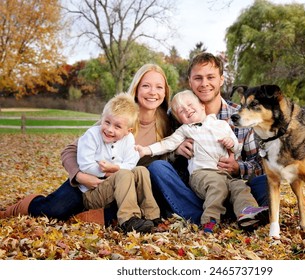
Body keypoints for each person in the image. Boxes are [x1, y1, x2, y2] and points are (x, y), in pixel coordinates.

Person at [0, 64, 172, 227]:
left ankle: (96, 216)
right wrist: (79, 176)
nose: (153, 92)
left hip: (124, 187)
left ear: (165, 92)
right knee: (55, 210)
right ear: (136, 88)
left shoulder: (168, 124)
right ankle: (23, 206)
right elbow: (69, 150)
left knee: (122, 203)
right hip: (90, 181)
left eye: (159, 87)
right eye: (146, 86)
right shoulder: (113, 119)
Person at [147, 52, 269, 226]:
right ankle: (205, 217)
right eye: (198, 78)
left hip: (236, 187)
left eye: (210, 77)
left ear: (221, 79)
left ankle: (243, 213)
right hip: (197, 191)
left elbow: (259, 164)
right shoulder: (177, 115)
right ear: (190, 82)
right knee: (158, 168)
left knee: (265, 182)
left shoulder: (240, 115)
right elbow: (161, 151)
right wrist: (176, 152)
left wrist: (237, 167)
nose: (204, 83)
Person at [136, 90, 268, 233]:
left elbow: (236, 147)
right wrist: (146, 150)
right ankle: (209, 222)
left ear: (202, 106)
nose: (187, 109)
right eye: (181, 111)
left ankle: (247, 213)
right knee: (217, 187)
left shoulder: (222, 125)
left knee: (240, 188)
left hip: (226, 174)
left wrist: (231, 143)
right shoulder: (186, 129)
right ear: (180, 120)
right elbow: (166, 144)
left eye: (190, 104)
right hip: (202, 174)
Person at [77, 92, 160, 233]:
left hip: (117, 187)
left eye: (117, 126)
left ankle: (151, 216)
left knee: (141, 170)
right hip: (94, 192)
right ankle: (128, 220)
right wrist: (106, 171)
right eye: (107, 122)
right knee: (123, 174)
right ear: (102, 119)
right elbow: (85, 165)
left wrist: (115, 168)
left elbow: (131, 162)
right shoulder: (91, 135)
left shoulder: (129, 140)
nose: (109, 129)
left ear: (128, 131)